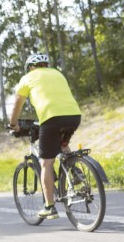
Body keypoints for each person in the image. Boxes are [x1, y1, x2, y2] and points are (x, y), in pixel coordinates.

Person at [9, 53, 82, 219]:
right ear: (45, 65)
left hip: (51, 117)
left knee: (46, 164)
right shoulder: (57, 73)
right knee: (62, 144)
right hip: (74, 116)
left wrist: (13, 124)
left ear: (30, 67)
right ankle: (75, 170)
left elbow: (17, 105)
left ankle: (49, 206)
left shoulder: (27, 78)